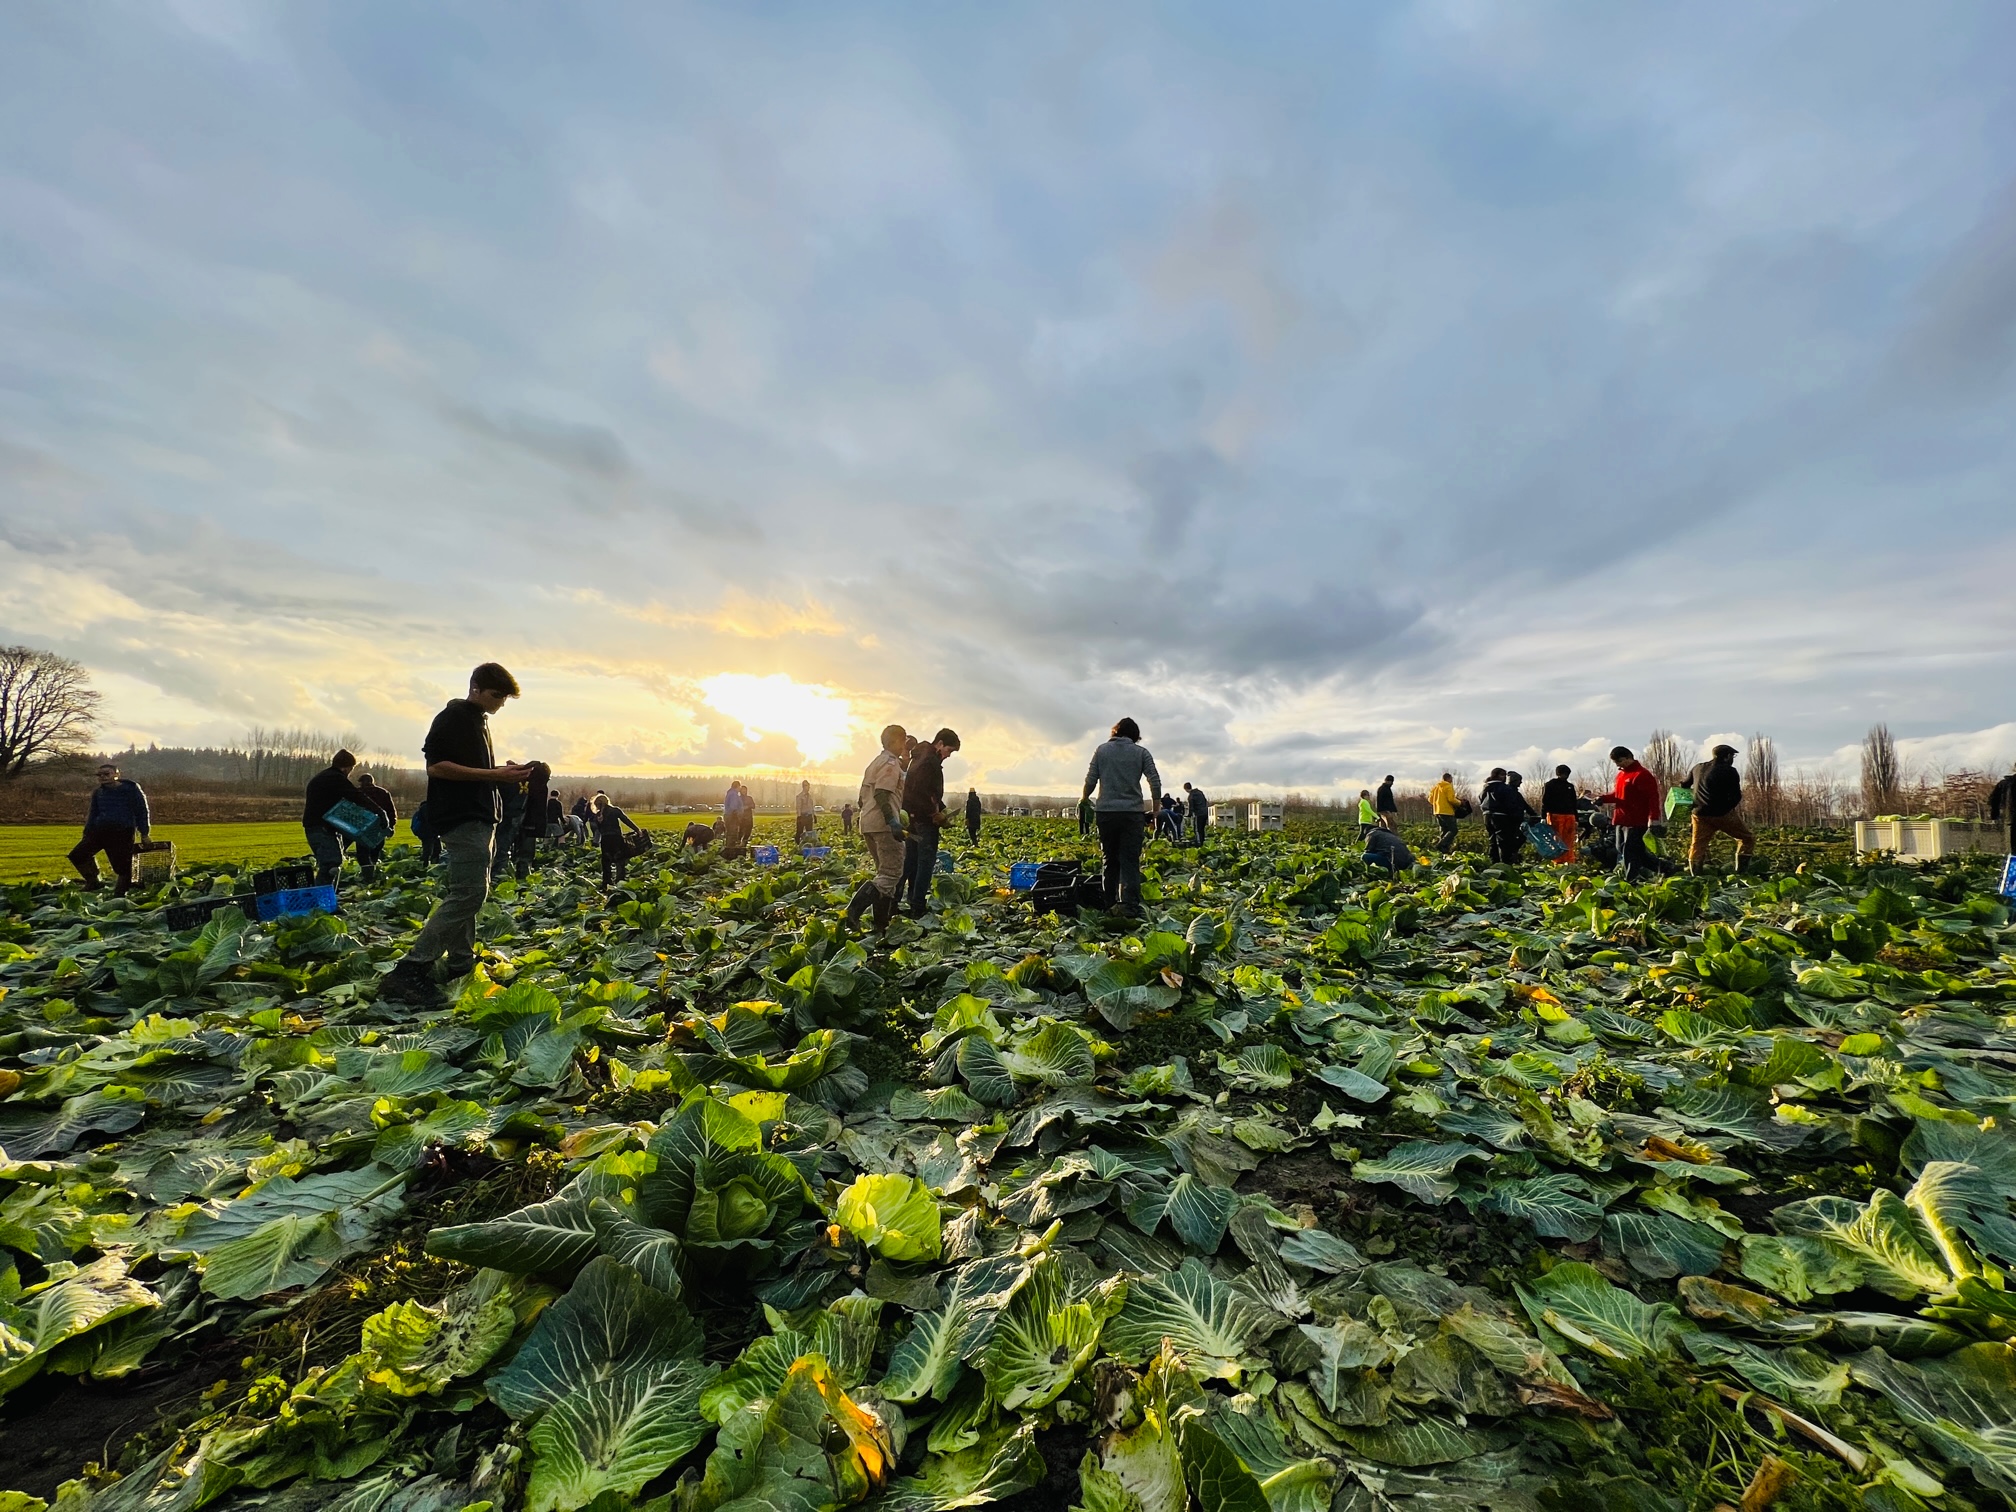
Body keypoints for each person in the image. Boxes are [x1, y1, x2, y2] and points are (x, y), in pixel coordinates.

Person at [379, 663, 532, 1006]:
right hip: (462, 817)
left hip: (480, 817)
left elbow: (474, 771)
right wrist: (493, 776)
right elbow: (437, 767)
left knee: (467, 892)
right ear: (475, 688)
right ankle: (410, 970)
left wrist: (500, 774)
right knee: (470, 894)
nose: (500, 703)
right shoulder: (453, 717)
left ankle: (461, 965)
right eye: (496, 695)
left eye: (504, 698)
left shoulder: (478, 720)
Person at [1083, 717, 1161, 915]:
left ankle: (1108, 904)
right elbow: (1155, 781)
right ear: (1135, 736)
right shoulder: (1141, 753)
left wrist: (1084, 798)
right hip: (1132, 814)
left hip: (1106, 813)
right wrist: (1156, 809)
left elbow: (1091, 779)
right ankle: (1129, 906)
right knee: (1130, 861)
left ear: (1115, 732)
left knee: (1109, 859)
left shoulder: (1101, 750)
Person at [844, 724, 908, 934]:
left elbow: (863, 798)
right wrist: (892, 821)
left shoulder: (875, 763)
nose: (904, 745)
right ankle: (854, 910)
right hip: (883, 824)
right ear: (896, 741)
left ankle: (880, 924)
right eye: (903, 740)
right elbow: (882, 793)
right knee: (891, 873)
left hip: (868, 823)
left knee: (884, 874)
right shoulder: (890, 764)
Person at [901, 728, 961, 917]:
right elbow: (922, 793)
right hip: (924, 821)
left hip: (912, 818)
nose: (948, 755)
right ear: (940, 744)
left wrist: (941, 808)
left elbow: (929, 793)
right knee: (925, 863)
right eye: (949, 750)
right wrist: (935, 814)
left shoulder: (919, 757)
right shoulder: (929, 761)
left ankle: (899, 900)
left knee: (910, 862)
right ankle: (917, 905)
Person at [69, 762, 152, 894]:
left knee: (122, 867)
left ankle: (122, 892)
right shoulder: (98, 792)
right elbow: (93, 813)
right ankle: (93, 882)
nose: (103, 777)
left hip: (122, 832)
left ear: (116, 774)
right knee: (78, 855)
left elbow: (142, 811)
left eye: (106, 774)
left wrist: (144, 833)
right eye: (99, 775)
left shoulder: (131, 789)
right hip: (99, 831)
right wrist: (87, 831)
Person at [1683, 744, 1755, 873]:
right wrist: (1728, 809)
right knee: (1747, 839)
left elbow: (1684, 785)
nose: (1732, 759)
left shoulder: (1698, 768)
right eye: (1732, 756)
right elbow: (1736, 796)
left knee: (1698, 845)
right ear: (1727, 757)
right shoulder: (1729, 771)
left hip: (1699, 814)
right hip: (1721, 813)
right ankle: (1741, 873)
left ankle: (1695, 876)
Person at [1594, 746, 1662, 881]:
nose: (1618, 765)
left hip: (1636, 820)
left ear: (1628, 758)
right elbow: (1618, 795)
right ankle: (1665, 868)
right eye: (1616, 763)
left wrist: (1653, 818)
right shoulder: (1620, 776)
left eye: (1619, 761)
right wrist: (1603, 799)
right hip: (1621, 818)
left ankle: (1631, 880)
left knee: (1630, 852)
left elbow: (1653, 798)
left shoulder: (1642, 775)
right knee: (1623, 849)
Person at [302, 749, 364, 889]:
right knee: (331, 864)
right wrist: (380, 812)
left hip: (318, 827)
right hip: (321, 828)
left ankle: (328, 900)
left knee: (331, 864)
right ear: (346, 767)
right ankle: (322, 901)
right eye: (351, 768)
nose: (350, 772)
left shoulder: (323, 777)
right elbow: (357, 796)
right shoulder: (335, 778)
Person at [592, 792, 643, 887]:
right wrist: (637, 830)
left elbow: (599, 829)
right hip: (616, 838)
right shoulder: (615, 810)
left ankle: (606, 883)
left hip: (605, 840)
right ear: (607, 801)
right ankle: (620, 882)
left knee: (606, 862)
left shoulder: (598, 815)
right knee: (620, 860)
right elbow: (626, 820)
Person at [512, 761, 552, 881]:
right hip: (532, 825)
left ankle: (512, 878)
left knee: (514, 854)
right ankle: (523, 881)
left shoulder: (524, 784)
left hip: (518, 822)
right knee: (526, 855)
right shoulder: (541, 787)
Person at [491, 765, 531, 885]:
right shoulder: (529, 782)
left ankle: (496, 875)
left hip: (505, 817)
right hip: (518, 816)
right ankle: (502, 875)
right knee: (508, 847)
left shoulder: (506, 781)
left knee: (500, 846)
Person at [354, 772, 398, 882]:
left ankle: (367, 877)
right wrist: (391, 826)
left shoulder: (358, 793)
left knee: (363, 853)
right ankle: (373, 873)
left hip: (362, 828)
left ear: (361, 782)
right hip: (380, 827)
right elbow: (391, 811)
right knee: (375, 852)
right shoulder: (383, 792)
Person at [1541, 765, 1579, 864]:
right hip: (1555, 815)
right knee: (1557, 840)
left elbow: (1574, 803)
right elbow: (1546, 801)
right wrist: (1543, 816)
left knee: (1568, 841)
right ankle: (1557, 861)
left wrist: (1576, 818)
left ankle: (1569, 861)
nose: (1565, 776)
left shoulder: (1570, 786)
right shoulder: (1550, 785)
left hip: (1568, 815)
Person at [1428, 772, 1459, 854]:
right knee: (1453, 830)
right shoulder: (1448, 786)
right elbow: (1451, 799)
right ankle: (1441, 844)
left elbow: (1430, 799)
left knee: (1444, 830)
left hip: (1437, 811)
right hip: (1447, 811)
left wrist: (1438, 804)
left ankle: (1444, 851)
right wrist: (1459, 803)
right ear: (1448, 778)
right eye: (1451, 779)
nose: (1452, 780)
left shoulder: (1436, 787)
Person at [1992, 764, 2016, 854]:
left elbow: (1994, 800)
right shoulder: (2006, 784)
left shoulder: (2005, 783)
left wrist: (1995, 816)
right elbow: (1994, 800)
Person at [412, 800, 441, 865]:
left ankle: (427, 864)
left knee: (429, 850)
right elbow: (430, 821)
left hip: (425, 833)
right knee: (431, 850)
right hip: (429, 833)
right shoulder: (428, 809)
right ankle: (427, 864)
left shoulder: (421, 810)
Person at [795, 781, 816, 845]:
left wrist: (814, 815)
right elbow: (798, 807)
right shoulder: (799, 796)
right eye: (806, 786)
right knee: (799, 832)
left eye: (808, 786)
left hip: (809, 816)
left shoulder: (810, 796)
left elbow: (811, 807)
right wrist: (799, 817)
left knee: (809, 832)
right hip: (802, 816)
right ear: (803, 786)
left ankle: (808, 845)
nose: (808, 787)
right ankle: (798, 844)